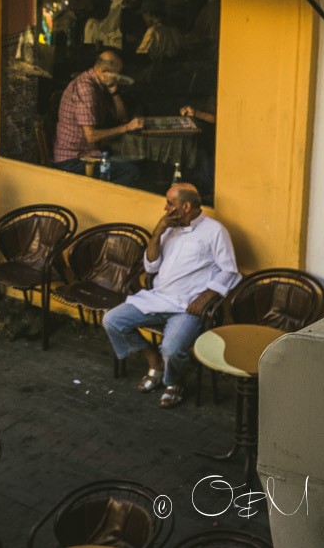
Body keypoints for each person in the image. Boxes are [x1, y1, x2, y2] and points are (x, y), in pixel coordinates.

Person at [102, 183, 239, 409]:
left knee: (172, 349)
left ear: (185, 206)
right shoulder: (170, 228)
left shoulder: (214, 231)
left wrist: (207, 296)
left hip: (188, 307)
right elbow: (151, 265)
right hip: (158, 297)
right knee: (112, 321)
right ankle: (154, 362)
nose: (165, 208)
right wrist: (158, 232)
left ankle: (174, 382)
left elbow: (230, 270)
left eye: (170, 203)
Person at [51, 48, 142, 186]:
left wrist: (114, 92)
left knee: (136, 159)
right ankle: (101, 200)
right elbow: (91, 136)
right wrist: (126, 128)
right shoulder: (86, 89)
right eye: (117, 75)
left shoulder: (98, 84)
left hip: (89, 151)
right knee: (132, 171)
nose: (119, 78)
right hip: (73, 160)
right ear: (105, 71)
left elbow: (122, 117)